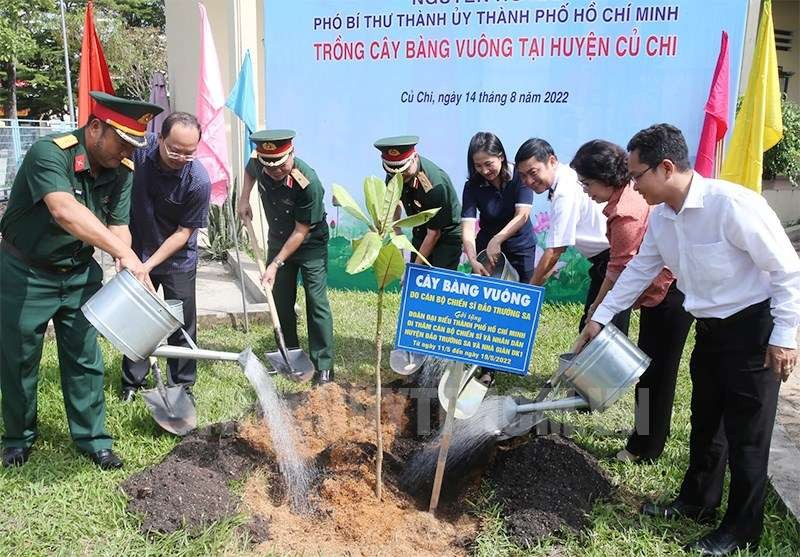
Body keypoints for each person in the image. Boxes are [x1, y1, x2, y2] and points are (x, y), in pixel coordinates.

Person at [575, 124, 800, 555]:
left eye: (637, 175)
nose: (633, 185)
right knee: (706, 422)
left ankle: (741, 529)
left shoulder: (731, 206)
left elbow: (786, 270)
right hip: (710, 330)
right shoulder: (663, 217)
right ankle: (697, 503)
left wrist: (786, 337)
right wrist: (599, 319)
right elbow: (639, 270)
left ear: (666, 167)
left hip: (753, 331)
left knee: (747, 435)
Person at [0, 92, 162, 469]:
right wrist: (125, 255)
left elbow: (118, 226)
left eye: (132, 145)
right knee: (20, 358)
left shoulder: (121, 170)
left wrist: (126, 262)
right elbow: (64, 210)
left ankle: (93, 439)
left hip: (77, 274)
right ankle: (18, 438)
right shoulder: (49, 154)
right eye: (121, 141)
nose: (126, 152)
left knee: (85, 358)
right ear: (94, 127)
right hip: (25, 271)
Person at [570, 139, 693, 462]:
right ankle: (644, 441)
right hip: (660, 293)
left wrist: (596, 311)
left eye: (588, 184)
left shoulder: (626, 211)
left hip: (669, 296)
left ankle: (645, 448)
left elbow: (619, 271)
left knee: (657, 374)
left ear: (604, 177)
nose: (587, 192)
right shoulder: (623, 202)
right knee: (652, 371)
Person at [120, 112, 211, 403]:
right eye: (174, 149)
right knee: (137, 319)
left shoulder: (198, 181)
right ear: (159, 138)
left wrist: (148, 265)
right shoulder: (139, 152)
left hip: (176, 260)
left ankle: (182, 386)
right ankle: (132, 382)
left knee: (181, 322)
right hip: (136, 249)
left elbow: (184, 232)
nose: (180, 157)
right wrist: (128, 255)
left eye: (189, 153)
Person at [238, 129, 334, 384]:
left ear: (292, 153)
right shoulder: (262, 163)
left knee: (316, 301)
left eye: (281, 166)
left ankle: (324, 364)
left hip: (309, 242)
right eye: (270, 168)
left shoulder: (309, 183)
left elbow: (301, 231)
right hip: (279, 238)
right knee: (280, 298)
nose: (275, 172)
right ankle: (289, 351)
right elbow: (250, 170)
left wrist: (275, 264)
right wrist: (244, 197)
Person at [515, 138, 630, 334]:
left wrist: (529, 293)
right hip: (604, 262)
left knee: (599, 333)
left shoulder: (565, 191)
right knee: (596, 329)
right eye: (523, 176)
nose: (528, 181)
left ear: (552, 161)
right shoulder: (567, 178)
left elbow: (555, 251)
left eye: (533, 173)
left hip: (614, 260)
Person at [374, 136, 462, 270]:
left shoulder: (434, 185)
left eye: (404, 171)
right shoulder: (395, 172)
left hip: (446, 235)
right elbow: (394, 203)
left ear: (414, 157)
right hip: (421, 231)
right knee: (416, 286)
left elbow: (434, 233)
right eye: (393, 172)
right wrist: (396, 232)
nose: (400, 177)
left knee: (436, 281)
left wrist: (414, 269)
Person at [461, 132, 535, 281]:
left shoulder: (519, 175)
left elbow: (522, 215)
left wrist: (497, 240)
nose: (485, 171)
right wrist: (473, 260)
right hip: (486, 248)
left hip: (520, 246)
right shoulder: (472, 186)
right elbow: (468, 227)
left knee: (523, 294)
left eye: (489, 164)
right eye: (478, 166)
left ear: (501, 156)